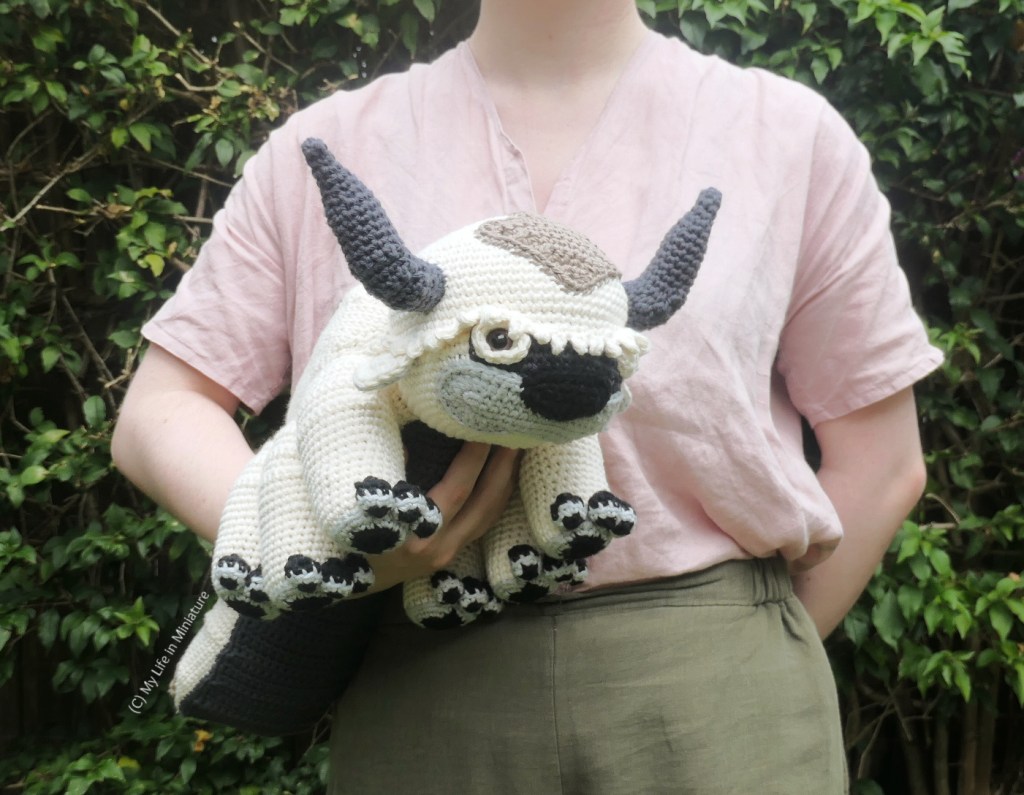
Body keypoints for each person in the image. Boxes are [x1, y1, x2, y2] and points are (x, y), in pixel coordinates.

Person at [111, 0, 943, 791]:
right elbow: (162, 409)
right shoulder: (326, 146)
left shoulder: (789, 140)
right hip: (423, 685)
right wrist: (325, 550)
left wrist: (744, 651)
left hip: (726, 699)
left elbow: (881, 463)